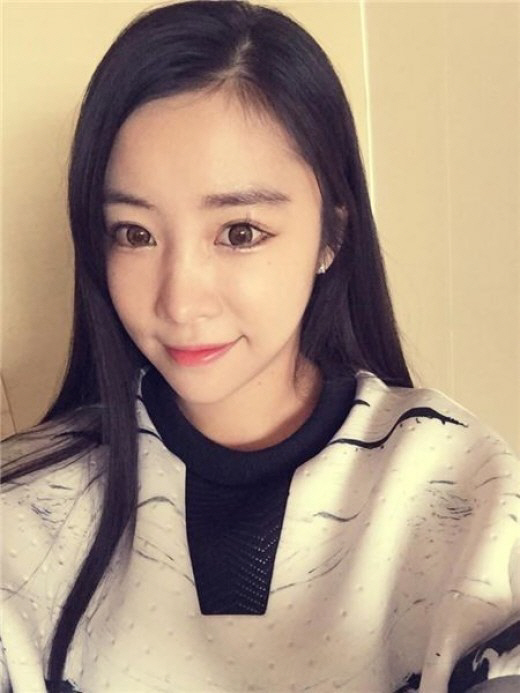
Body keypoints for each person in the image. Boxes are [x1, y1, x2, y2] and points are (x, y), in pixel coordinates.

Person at [1, 1, 518, 692]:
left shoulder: (458, 486)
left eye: (239, 233)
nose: (180, 301)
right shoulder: (27, 509)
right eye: (134, 233)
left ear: (332, 234)